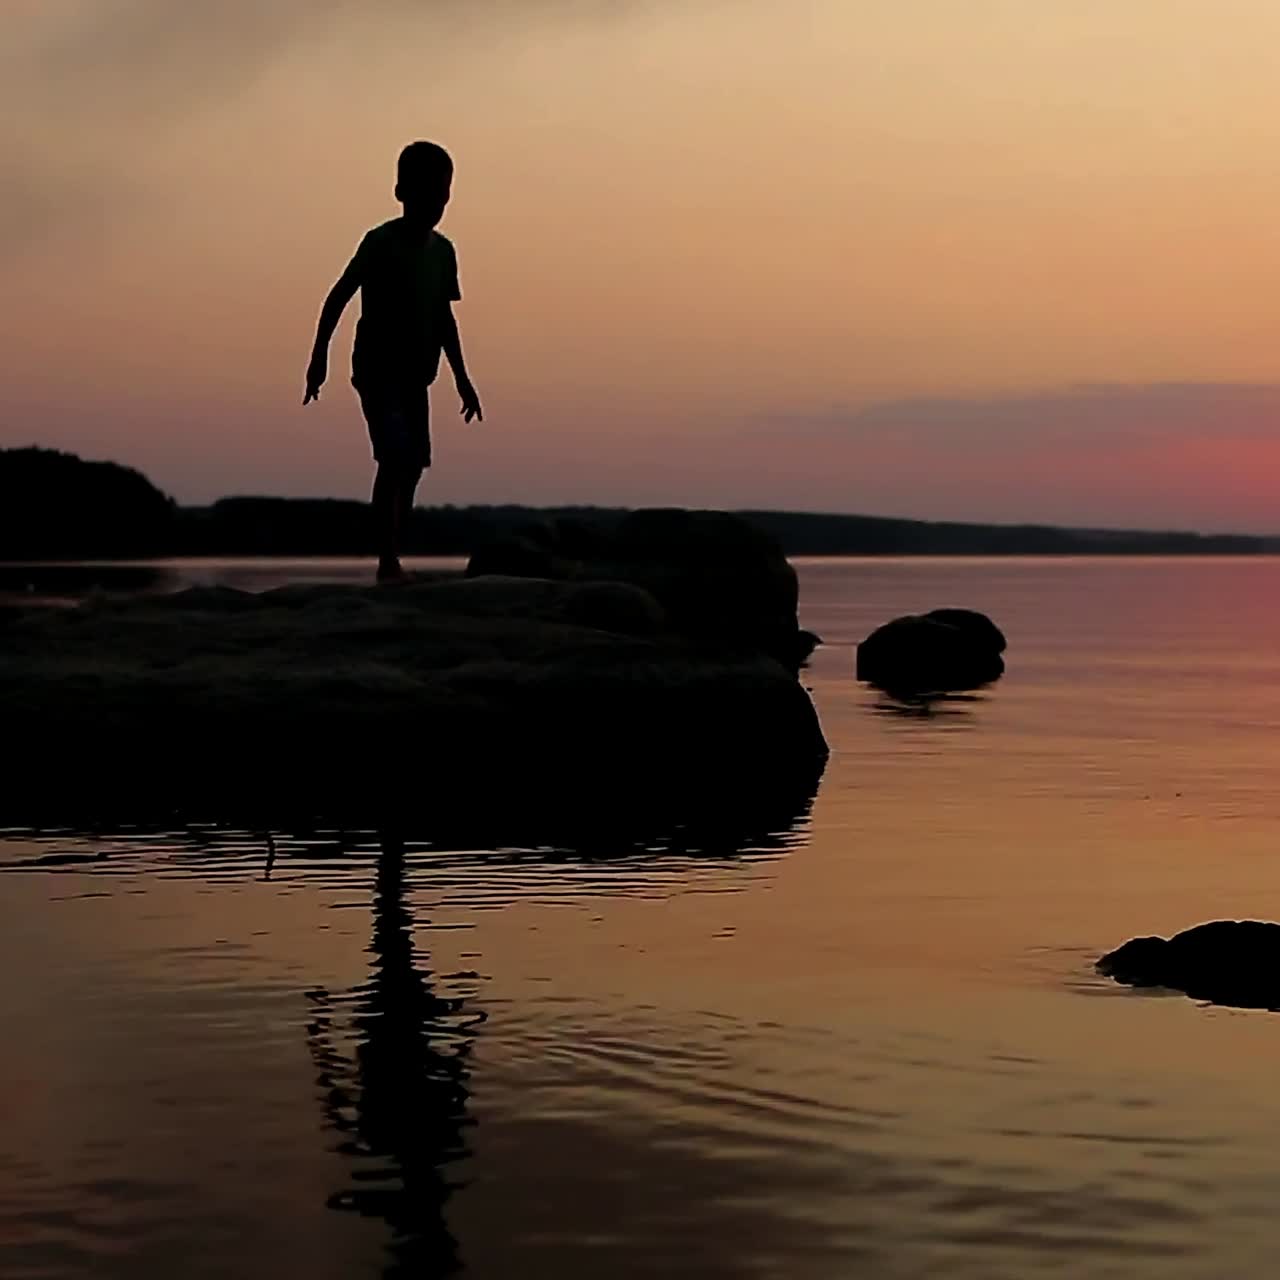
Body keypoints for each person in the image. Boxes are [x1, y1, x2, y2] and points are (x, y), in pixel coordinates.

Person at [304, 140, 482, 583]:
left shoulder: (444, 252)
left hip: (417, 377)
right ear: (401, 192)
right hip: (377, 371)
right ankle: (387, 560)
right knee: (395, 456)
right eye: (425, 194)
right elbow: (339, 296)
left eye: (442, 195)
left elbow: (444, 318)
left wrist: (463, 378)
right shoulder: (380, 243)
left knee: (415, 464)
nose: (434, 204)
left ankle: (393, 549)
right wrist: (319, 356)